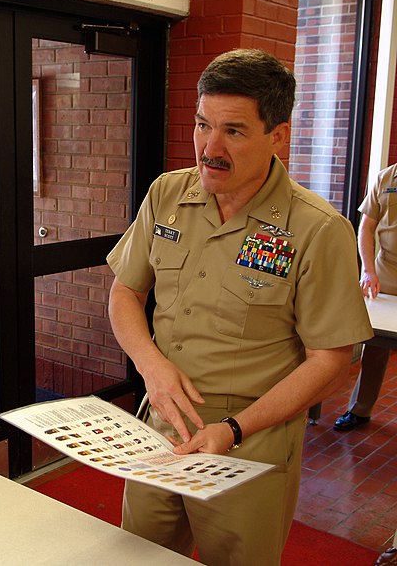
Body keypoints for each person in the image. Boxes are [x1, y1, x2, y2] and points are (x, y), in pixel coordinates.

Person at [106, 48, 373, 566]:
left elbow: (331, 358)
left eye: (233, 131)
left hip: (250, 444)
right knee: (137, 556)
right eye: (203, 124)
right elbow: (125, 293)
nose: (209, 147)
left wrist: (232, 431)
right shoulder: (168, 193)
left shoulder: (316, 229)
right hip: (162, 428)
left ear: (277, 136)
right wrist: (151, 365)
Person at [334, 162, 397, 432]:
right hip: (386, 275)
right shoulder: (385, 178)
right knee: (376, 346)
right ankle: (359, 410)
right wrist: (368, 271)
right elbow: (366, 227)